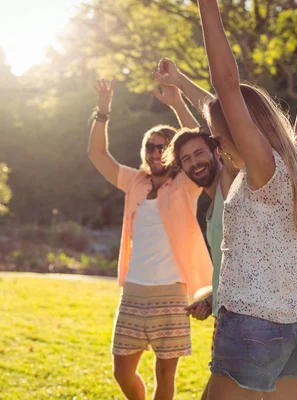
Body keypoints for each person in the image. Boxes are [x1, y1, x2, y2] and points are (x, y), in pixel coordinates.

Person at [196, 0, 297, 398]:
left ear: (240, 133)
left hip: (251, 324)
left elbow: (225, 83)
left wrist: (206, 5)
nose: (218, 149)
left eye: (219, 139)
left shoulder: (263, 169)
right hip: (293, 325)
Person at [87, 79, 213, 400]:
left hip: (172, 294)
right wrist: (103, 110)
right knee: (122, 372)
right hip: (133, 292)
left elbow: (199, 141)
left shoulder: (186, 184)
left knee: (164, 376)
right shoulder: (135, 182)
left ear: (174, 153)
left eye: (163, 147)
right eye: (150, 146)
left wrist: (175, 103)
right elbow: (97, 153)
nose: (156, 152)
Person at [156, 58, 237, 400]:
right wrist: (210, 299)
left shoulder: (232, 184)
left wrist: (181, 83)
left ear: (217, 151)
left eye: (200, 155)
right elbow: (193, 141)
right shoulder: (211, 206)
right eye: (186, 160)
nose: (194, 162)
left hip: (247, 324)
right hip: (229, 320)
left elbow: (218, 118)